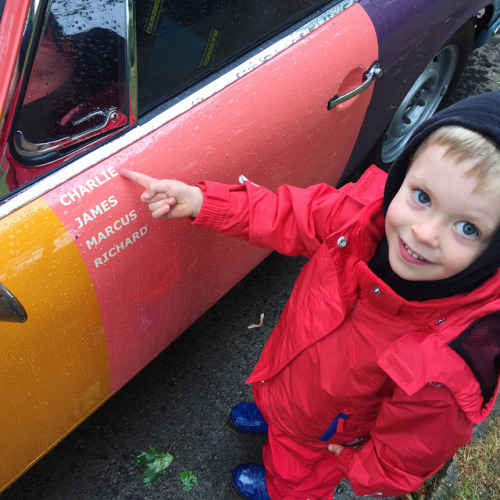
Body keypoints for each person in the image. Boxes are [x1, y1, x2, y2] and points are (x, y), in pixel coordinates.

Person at [120, 90, 500, 499]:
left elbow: (411, 449)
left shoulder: (455, 358)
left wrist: (354, 465)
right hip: (288, 373)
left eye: (467, 228)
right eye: (422, 197)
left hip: (325, 435)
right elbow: (289, 213)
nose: (424, 233)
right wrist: (204, 201)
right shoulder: (361, 215)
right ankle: (275, 417)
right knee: (278, 410)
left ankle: (280, 486)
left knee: (294, 478)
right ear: (403, 176)